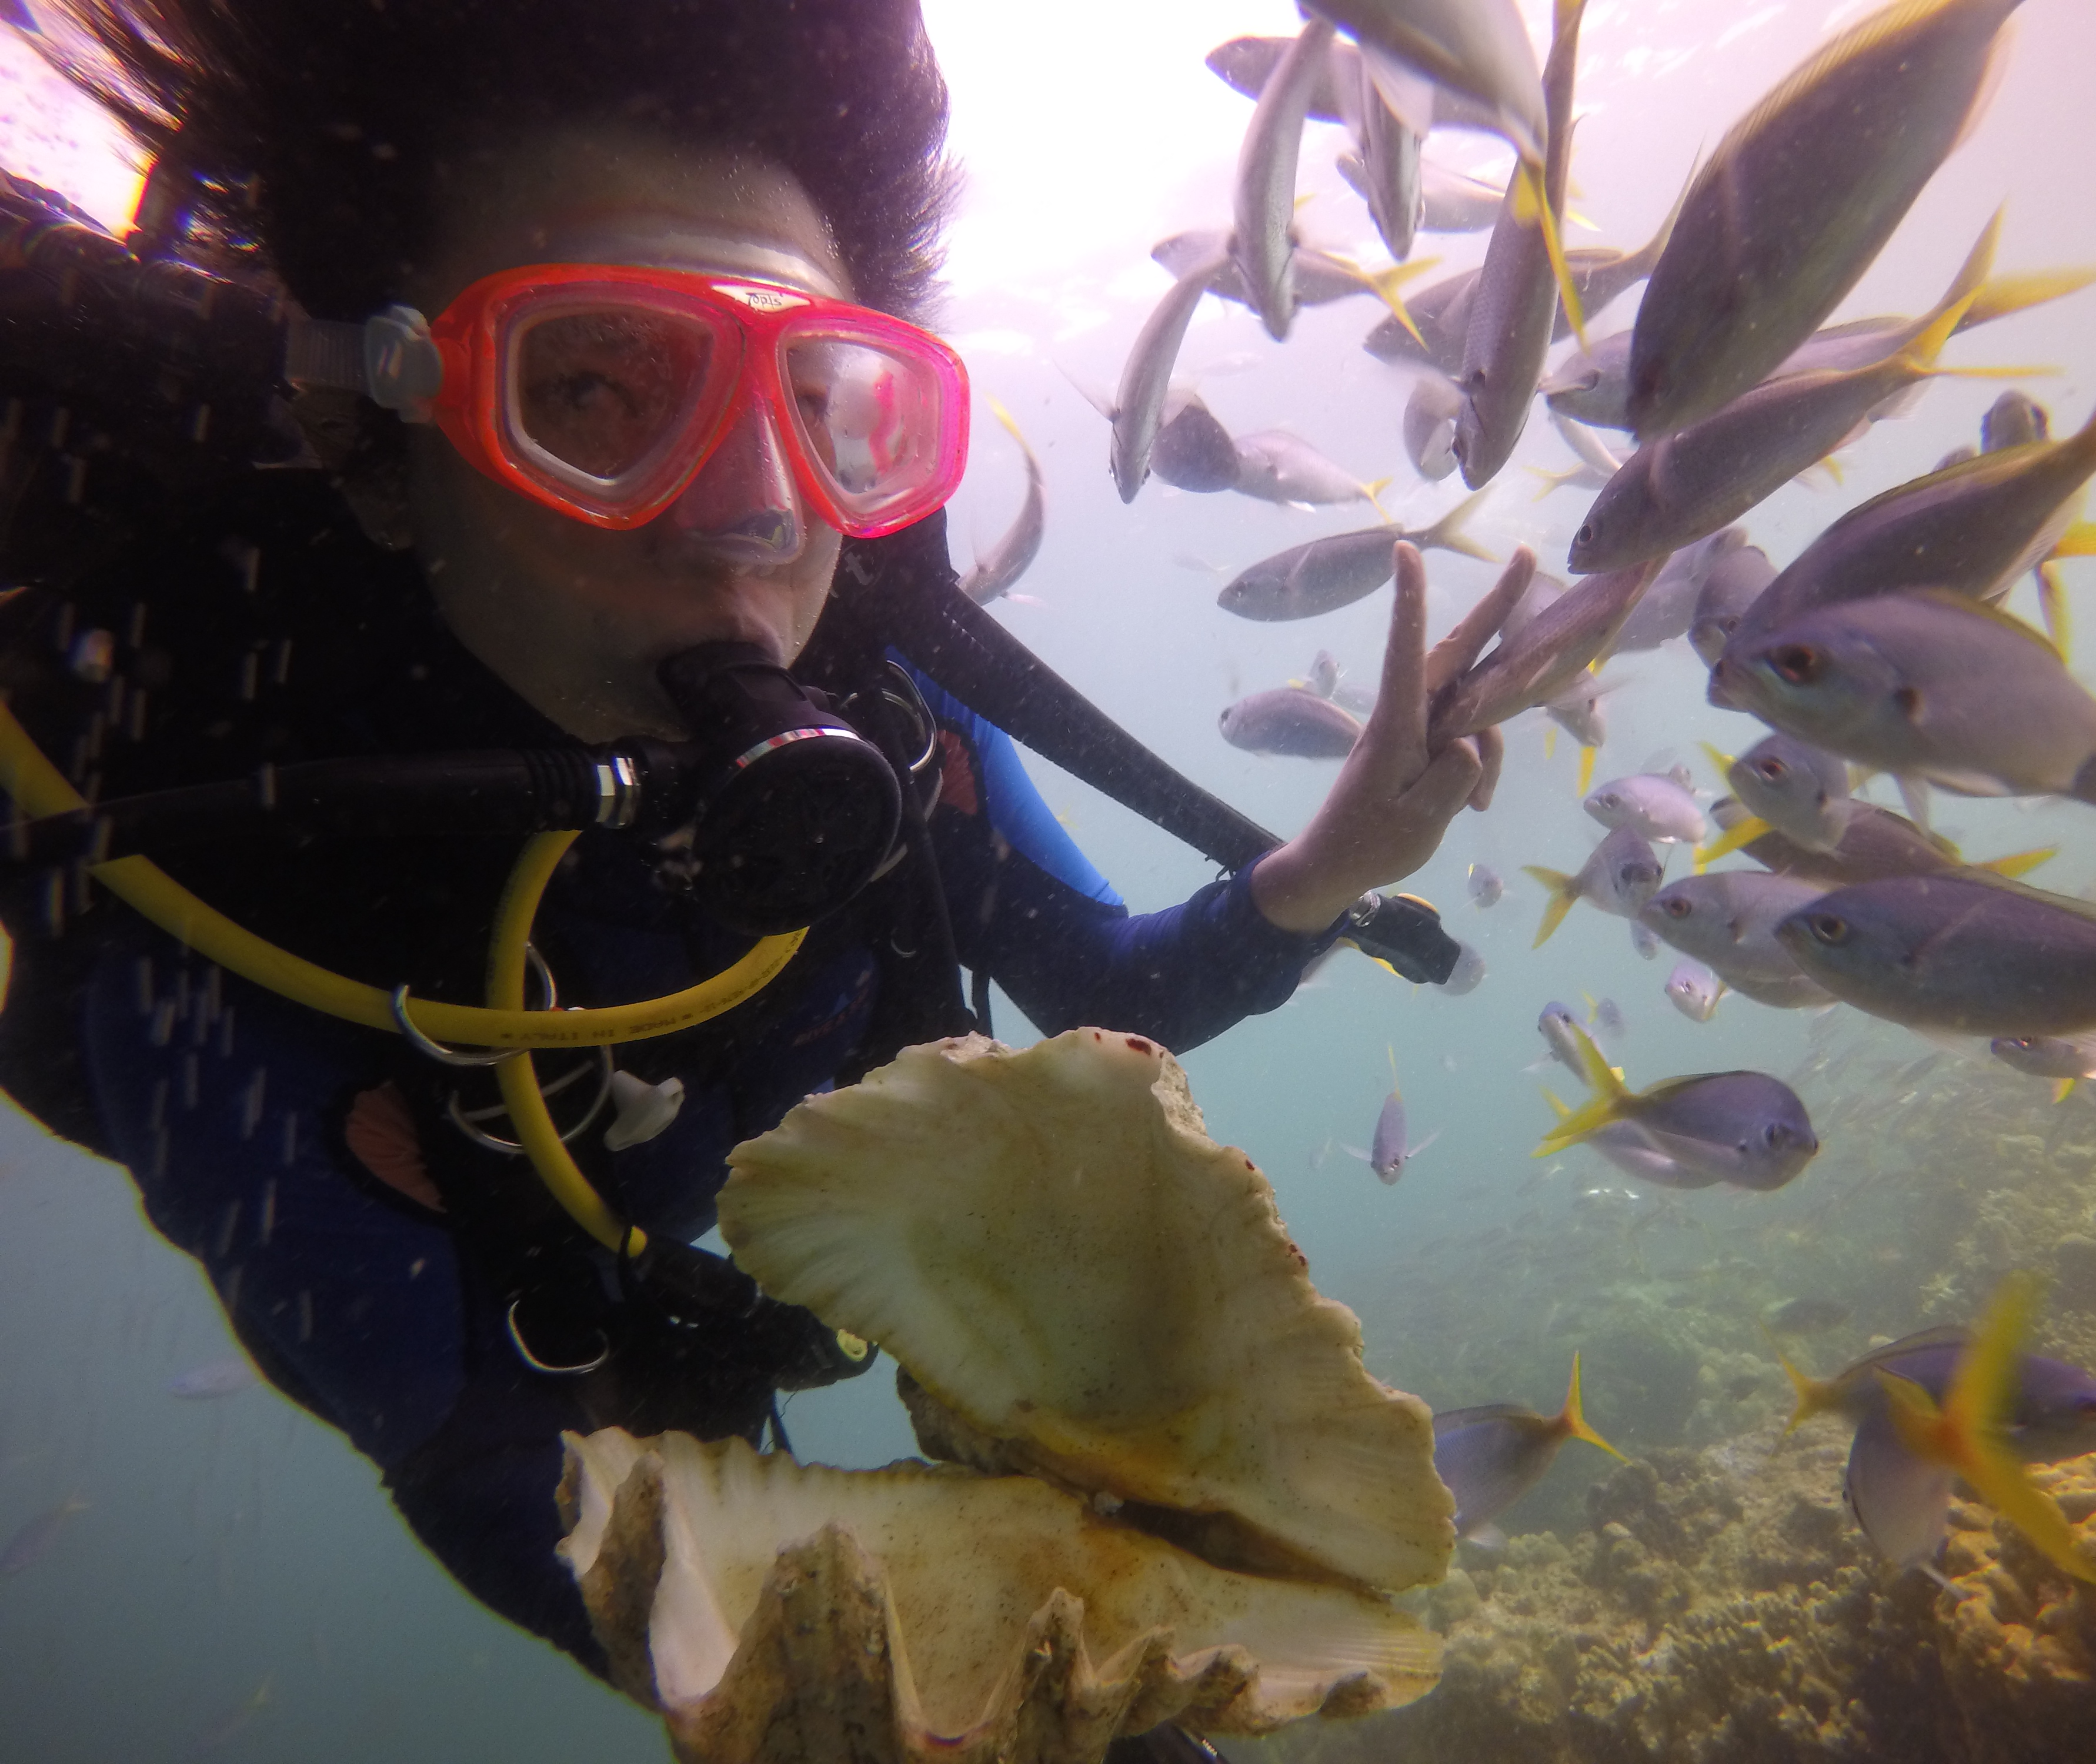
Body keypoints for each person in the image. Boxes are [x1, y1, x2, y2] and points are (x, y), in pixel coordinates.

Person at [0, 0, 1504, 1700]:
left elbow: (1107, 981)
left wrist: (1328, 861)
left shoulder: (881, 718)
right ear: (374, 448)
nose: (750, 513)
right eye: (591, 388)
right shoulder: (223, 887)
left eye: (816, 400)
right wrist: (842, 1703)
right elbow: (469, 1436)